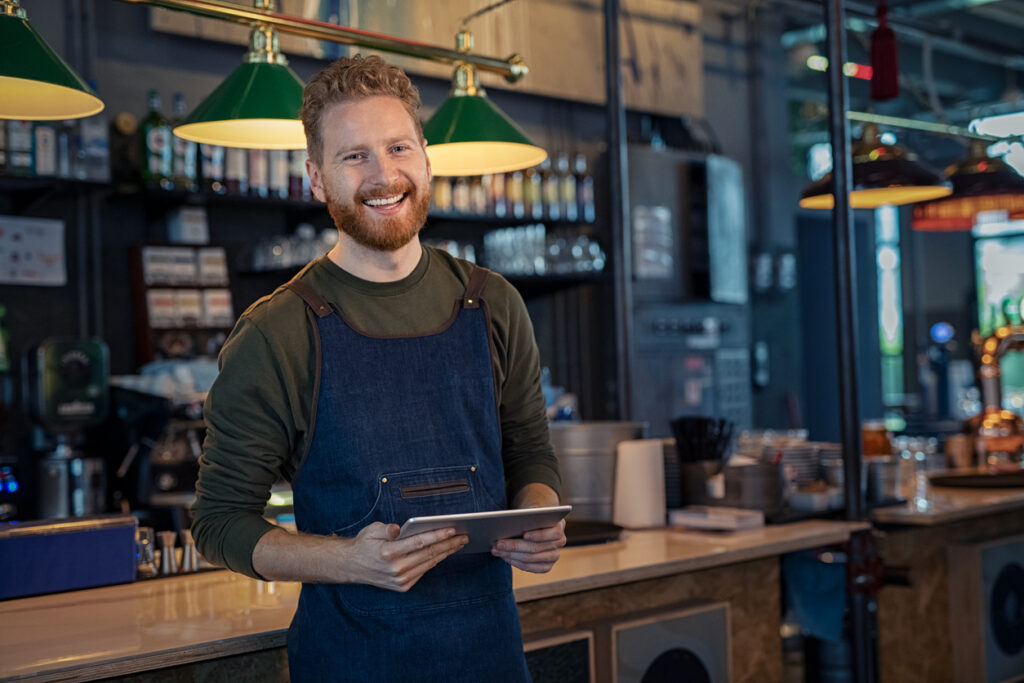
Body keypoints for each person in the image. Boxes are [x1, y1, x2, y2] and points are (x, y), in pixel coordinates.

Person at [191, 54, 565, 682]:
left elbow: (529, 450)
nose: (383, 174)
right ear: (317, 179)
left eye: (397, 147)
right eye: (354, 156)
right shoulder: (278, 330)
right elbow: (219, 522)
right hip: (353, 660)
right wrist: (350, 562)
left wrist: (538, 515)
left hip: (490, 657)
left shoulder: (493, 303)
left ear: (425, 157)